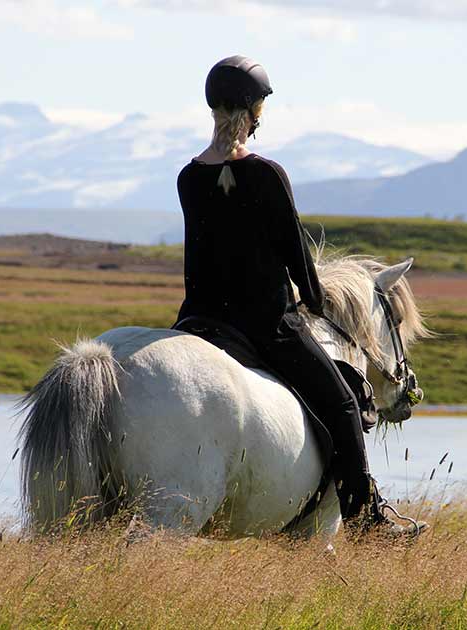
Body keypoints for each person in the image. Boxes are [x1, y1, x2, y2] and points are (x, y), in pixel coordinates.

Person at [174, 55, 424, 537]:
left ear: (213, 108)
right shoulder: (267, 174)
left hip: (198, 321)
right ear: (255, 111)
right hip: (266, 326)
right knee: (344, 405)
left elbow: (197, 258)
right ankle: (367, 522)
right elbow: (295, 254)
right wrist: (310, 299)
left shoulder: (188, 177)